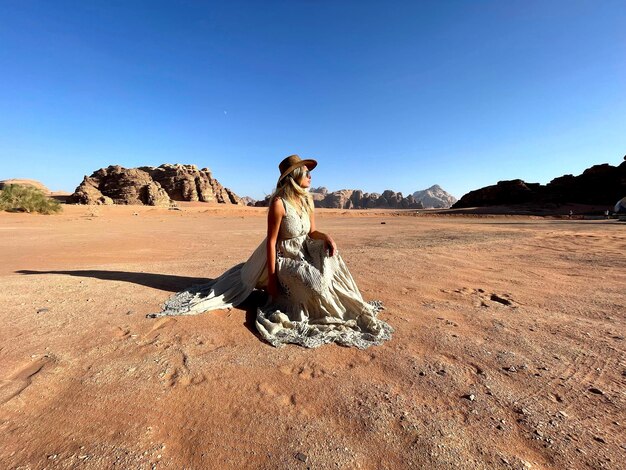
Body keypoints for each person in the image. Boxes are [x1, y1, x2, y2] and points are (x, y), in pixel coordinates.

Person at [148, 155, 393, 349]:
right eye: (307, 173)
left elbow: (312, 233)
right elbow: (271, 242)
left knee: (331, 256)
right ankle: (273, 287)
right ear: (296, 175)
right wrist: (273, 280)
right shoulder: (278, 203)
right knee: (316, 286)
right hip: (284, 257)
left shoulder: (307, 201)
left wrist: (326, 237)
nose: (310, 177)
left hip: (304, 252)